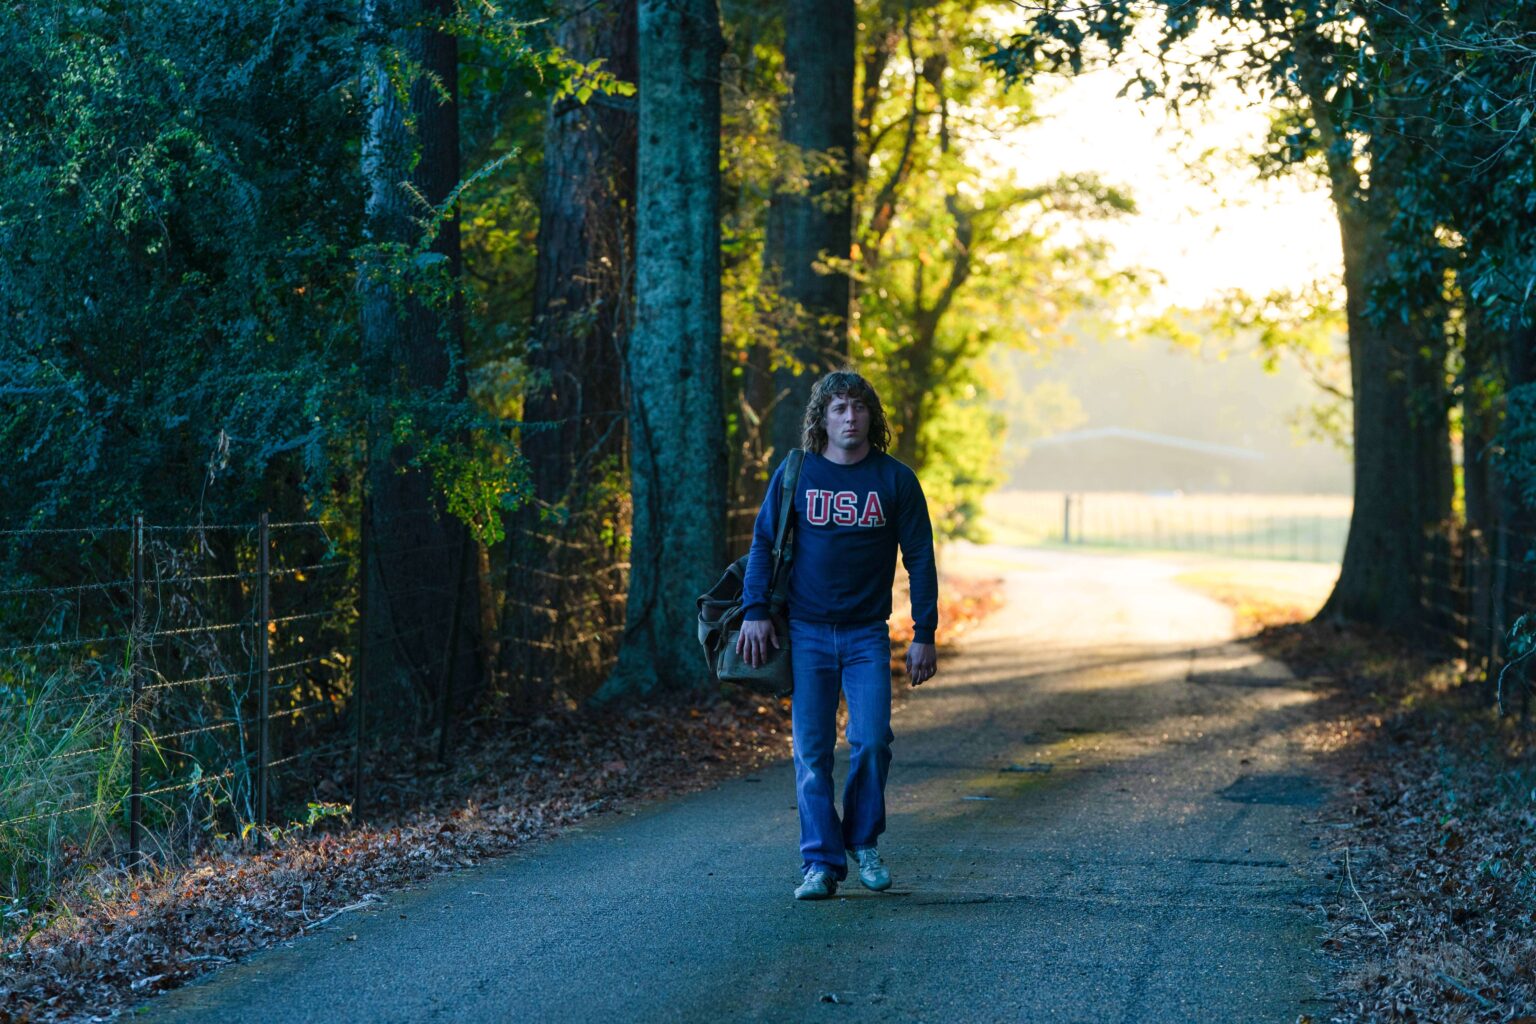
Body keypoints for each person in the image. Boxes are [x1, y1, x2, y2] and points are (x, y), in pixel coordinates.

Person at [737, 369, 938, 900]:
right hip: (805, 632)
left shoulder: (895, 480)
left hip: (867, 634)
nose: (851, 417)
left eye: (859, 407)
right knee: (812, 753)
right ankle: (821, 864)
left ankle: (863, 842)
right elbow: (763, 544)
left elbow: (920, 558)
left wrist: (925, 631)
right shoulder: (796, 472)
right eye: (839, 408)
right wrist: (754, 610)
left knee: (871, 740)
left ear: (873, 416)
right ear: (822, 419)